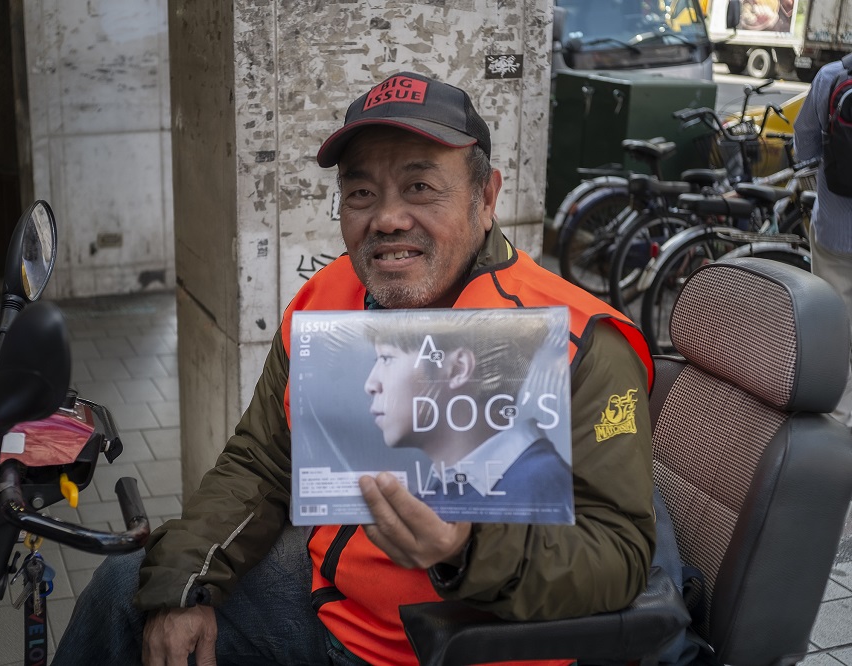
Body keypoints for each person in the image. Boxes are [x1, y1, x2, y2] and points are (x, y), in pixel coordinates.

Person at [53, 71, 659, 666]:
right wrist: (188, 582)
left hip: (467, 644)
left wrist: (469, 548)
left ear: (487, 197)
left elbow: (620, 554)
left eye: (420, 187)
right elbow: (261, 461)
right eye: (362, 193)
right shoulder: (325, 300)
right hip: (329, 609)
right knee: (125, 592)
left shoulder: (578, 341)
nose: (387, 218)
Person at [362, 313, 574, 524]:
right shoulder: (444, 484)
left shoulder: (539, 482)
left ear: (458, 368)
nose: (370, 384)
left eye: (387, 359)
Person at [794, 59, 852, 429]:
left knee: (837, 334)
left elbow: (805, 140)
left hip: (835, 230)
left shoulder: (832, 75)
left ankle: (841, 425)